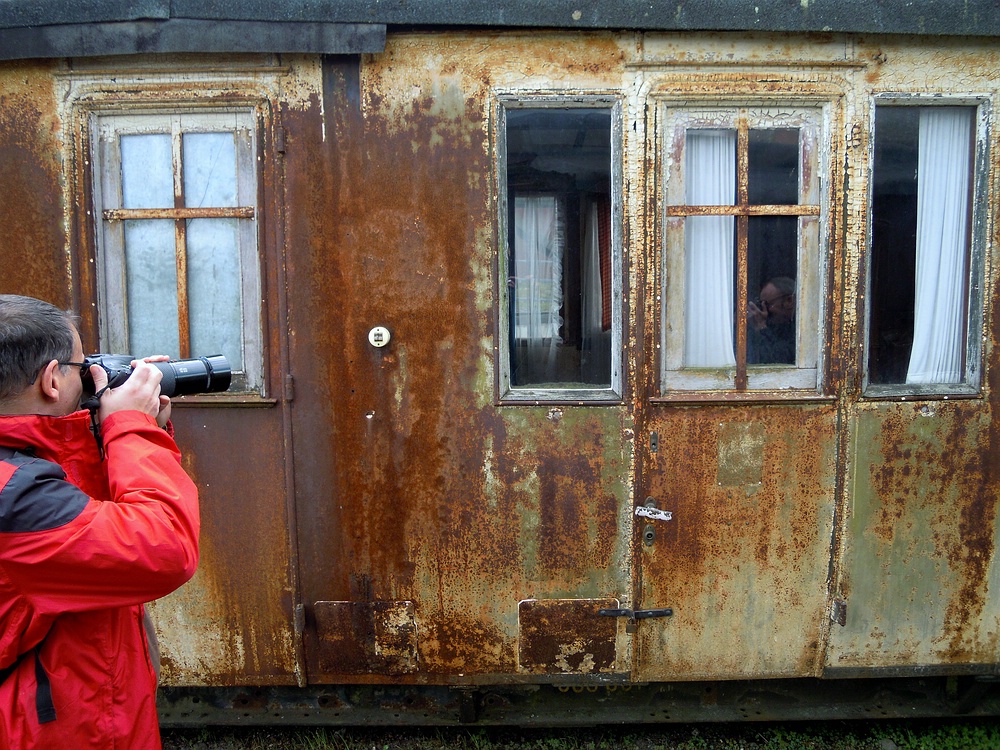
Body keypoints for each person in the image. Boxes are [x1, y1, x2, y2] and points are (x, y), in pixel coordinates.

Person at [0, 294, 200, 748]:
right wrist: (130, 425)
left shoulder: (20, 475)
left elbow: (81, 516)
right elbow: (162, 547)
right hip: (51, 728)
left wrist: (114, 431)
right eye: (80, 364)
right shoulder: (16, 499)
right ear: (52, 379)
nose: (91, 373)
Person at [747, 276, 796, 365]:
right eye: (761, 305)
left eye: (767, 304)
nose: (764, 311)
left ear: (789, 301)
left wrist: (761, 326)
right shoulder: (777, 325)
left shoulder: (800, 327)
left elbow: (778, 361)